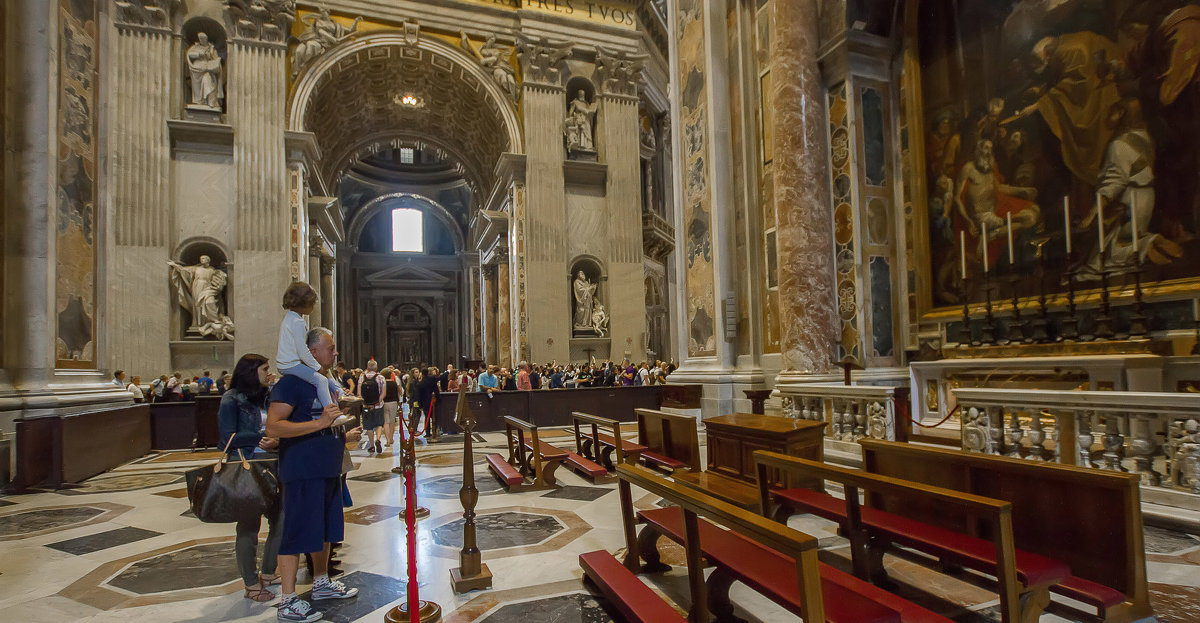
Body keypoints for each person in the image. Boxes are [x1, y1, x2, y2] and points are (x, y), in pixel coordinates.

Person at [266, 328, 362, 622]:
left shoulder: (324, 382)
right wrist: (321, 423)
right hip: (303, 469)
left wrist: (340, 428)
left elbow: (326, 419)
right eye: (330, 348)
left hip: (327, 468)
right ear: (311, 352)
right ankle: (288, 600)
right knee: (296, 533)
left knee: (325, 528)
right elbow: (274, 427)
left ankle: (321, 583)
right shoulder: (293, 383)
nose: (335, 353)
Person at [218, 354, 283, 604]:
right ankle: (251, 582)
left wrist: (276, 440)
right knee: (248, 525)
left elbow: (278, 425)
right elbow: (226, 437)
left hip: (272, 463)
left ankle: (268, 572)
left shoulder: (268, 396)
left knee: (280, 519)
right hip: (245, 464)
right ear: (250, 371)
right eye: (265, 369)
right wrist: (258, 437)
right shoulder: (231, 398)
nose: (269, 372)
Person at [277, 283, 343, 413]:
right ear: (304, 302)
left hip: (289, 362)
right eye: (312, 303)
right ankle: (332, 412)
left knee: (325, 373)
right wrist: (316, 367)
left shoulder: (291, 318)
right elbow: (302, 350)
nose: (313, 306)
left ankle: (340, 393)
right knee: (321, 380)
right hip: (290, 364)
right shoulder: (297, 322)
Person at [356, 360, 385, 454]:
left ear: (367, 367)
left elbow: (359, 394)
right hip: (378, 406)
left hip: (366, 406)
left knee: (368, 427)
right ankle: (378, 439)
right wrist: (376, 403)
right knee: (379, 424)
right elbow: (383, 393)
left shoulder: (361, 378)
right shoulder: (380, 377)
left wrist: (366, 404)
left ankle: (372, 446)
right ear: (376, 367)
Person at [381, 366, 400, 449]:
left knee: (386, 422)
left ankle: (387, 440)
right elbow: (398, 393)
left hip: (384, 402)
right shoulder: (394, 383)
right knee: (392, 422)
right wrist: (399, 401)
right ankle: (391, 438)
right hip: (393, 402)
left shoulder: (382, 383)